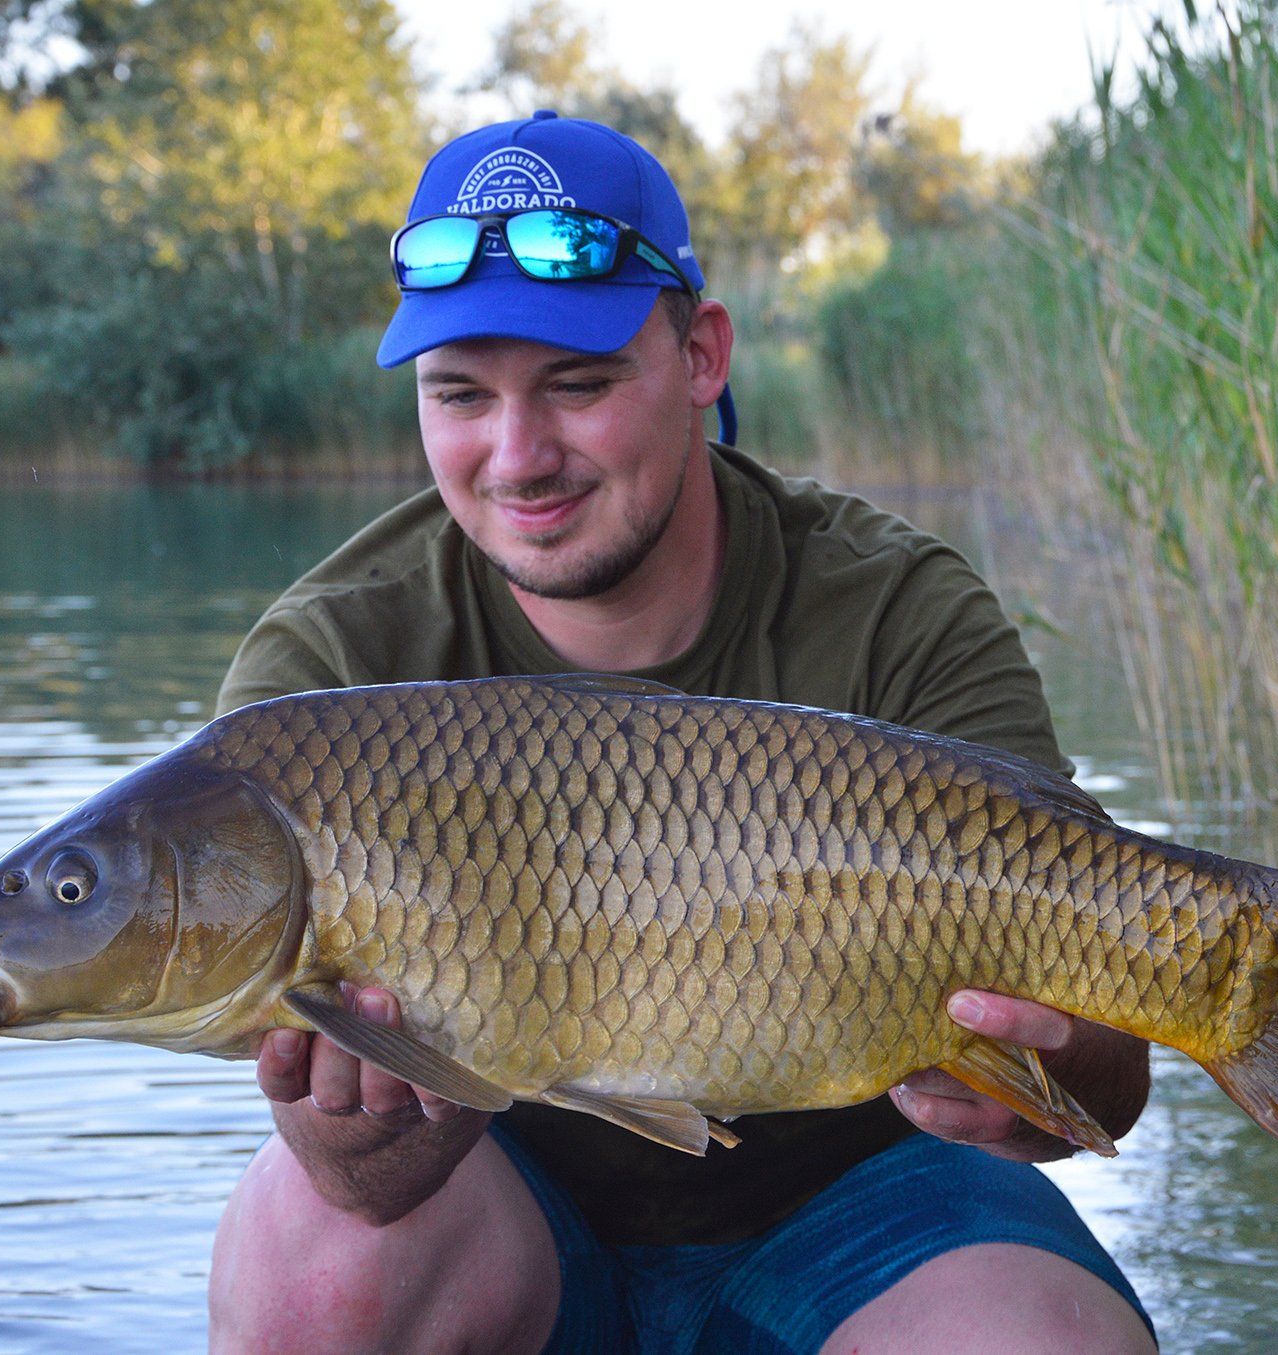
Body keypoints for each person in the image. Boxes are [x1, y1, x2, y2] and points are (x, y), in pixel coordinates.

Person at [206, 111, 1155, 1354]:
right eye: (460, 395)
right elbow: (367, 1190)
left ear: (701, 354)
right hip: (512, 1218)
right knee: (315, 1270)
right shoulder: (327, 675)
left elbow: (1110, 1078)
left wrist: (1048, 1075)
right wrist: (359, 1136)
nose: (518, 455)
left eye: (580, 383)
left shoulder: (896, 609)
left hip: (868, 1210)